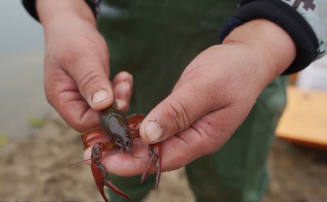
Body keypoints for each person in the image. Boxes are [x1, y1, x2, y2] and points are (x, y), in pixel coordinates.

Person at [22, 0, 327, 201]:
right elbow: (90, 139)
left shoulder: (131, 127)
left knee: (231, 180)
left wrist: (263, 49)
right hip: (127, 48)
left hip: (246, 61)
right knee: (120, 170)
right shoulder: (115, 131)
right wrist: (65, 13)